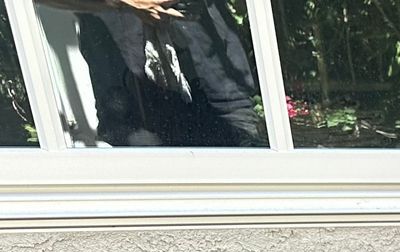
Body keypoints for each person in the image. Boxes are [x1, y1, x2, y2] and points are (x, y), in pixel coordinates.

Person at [38, 0, 262, 145]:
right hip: (133, 119)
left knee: (235, 129)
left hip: (219, 120)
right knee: (127, 127)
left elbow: (234, 111)